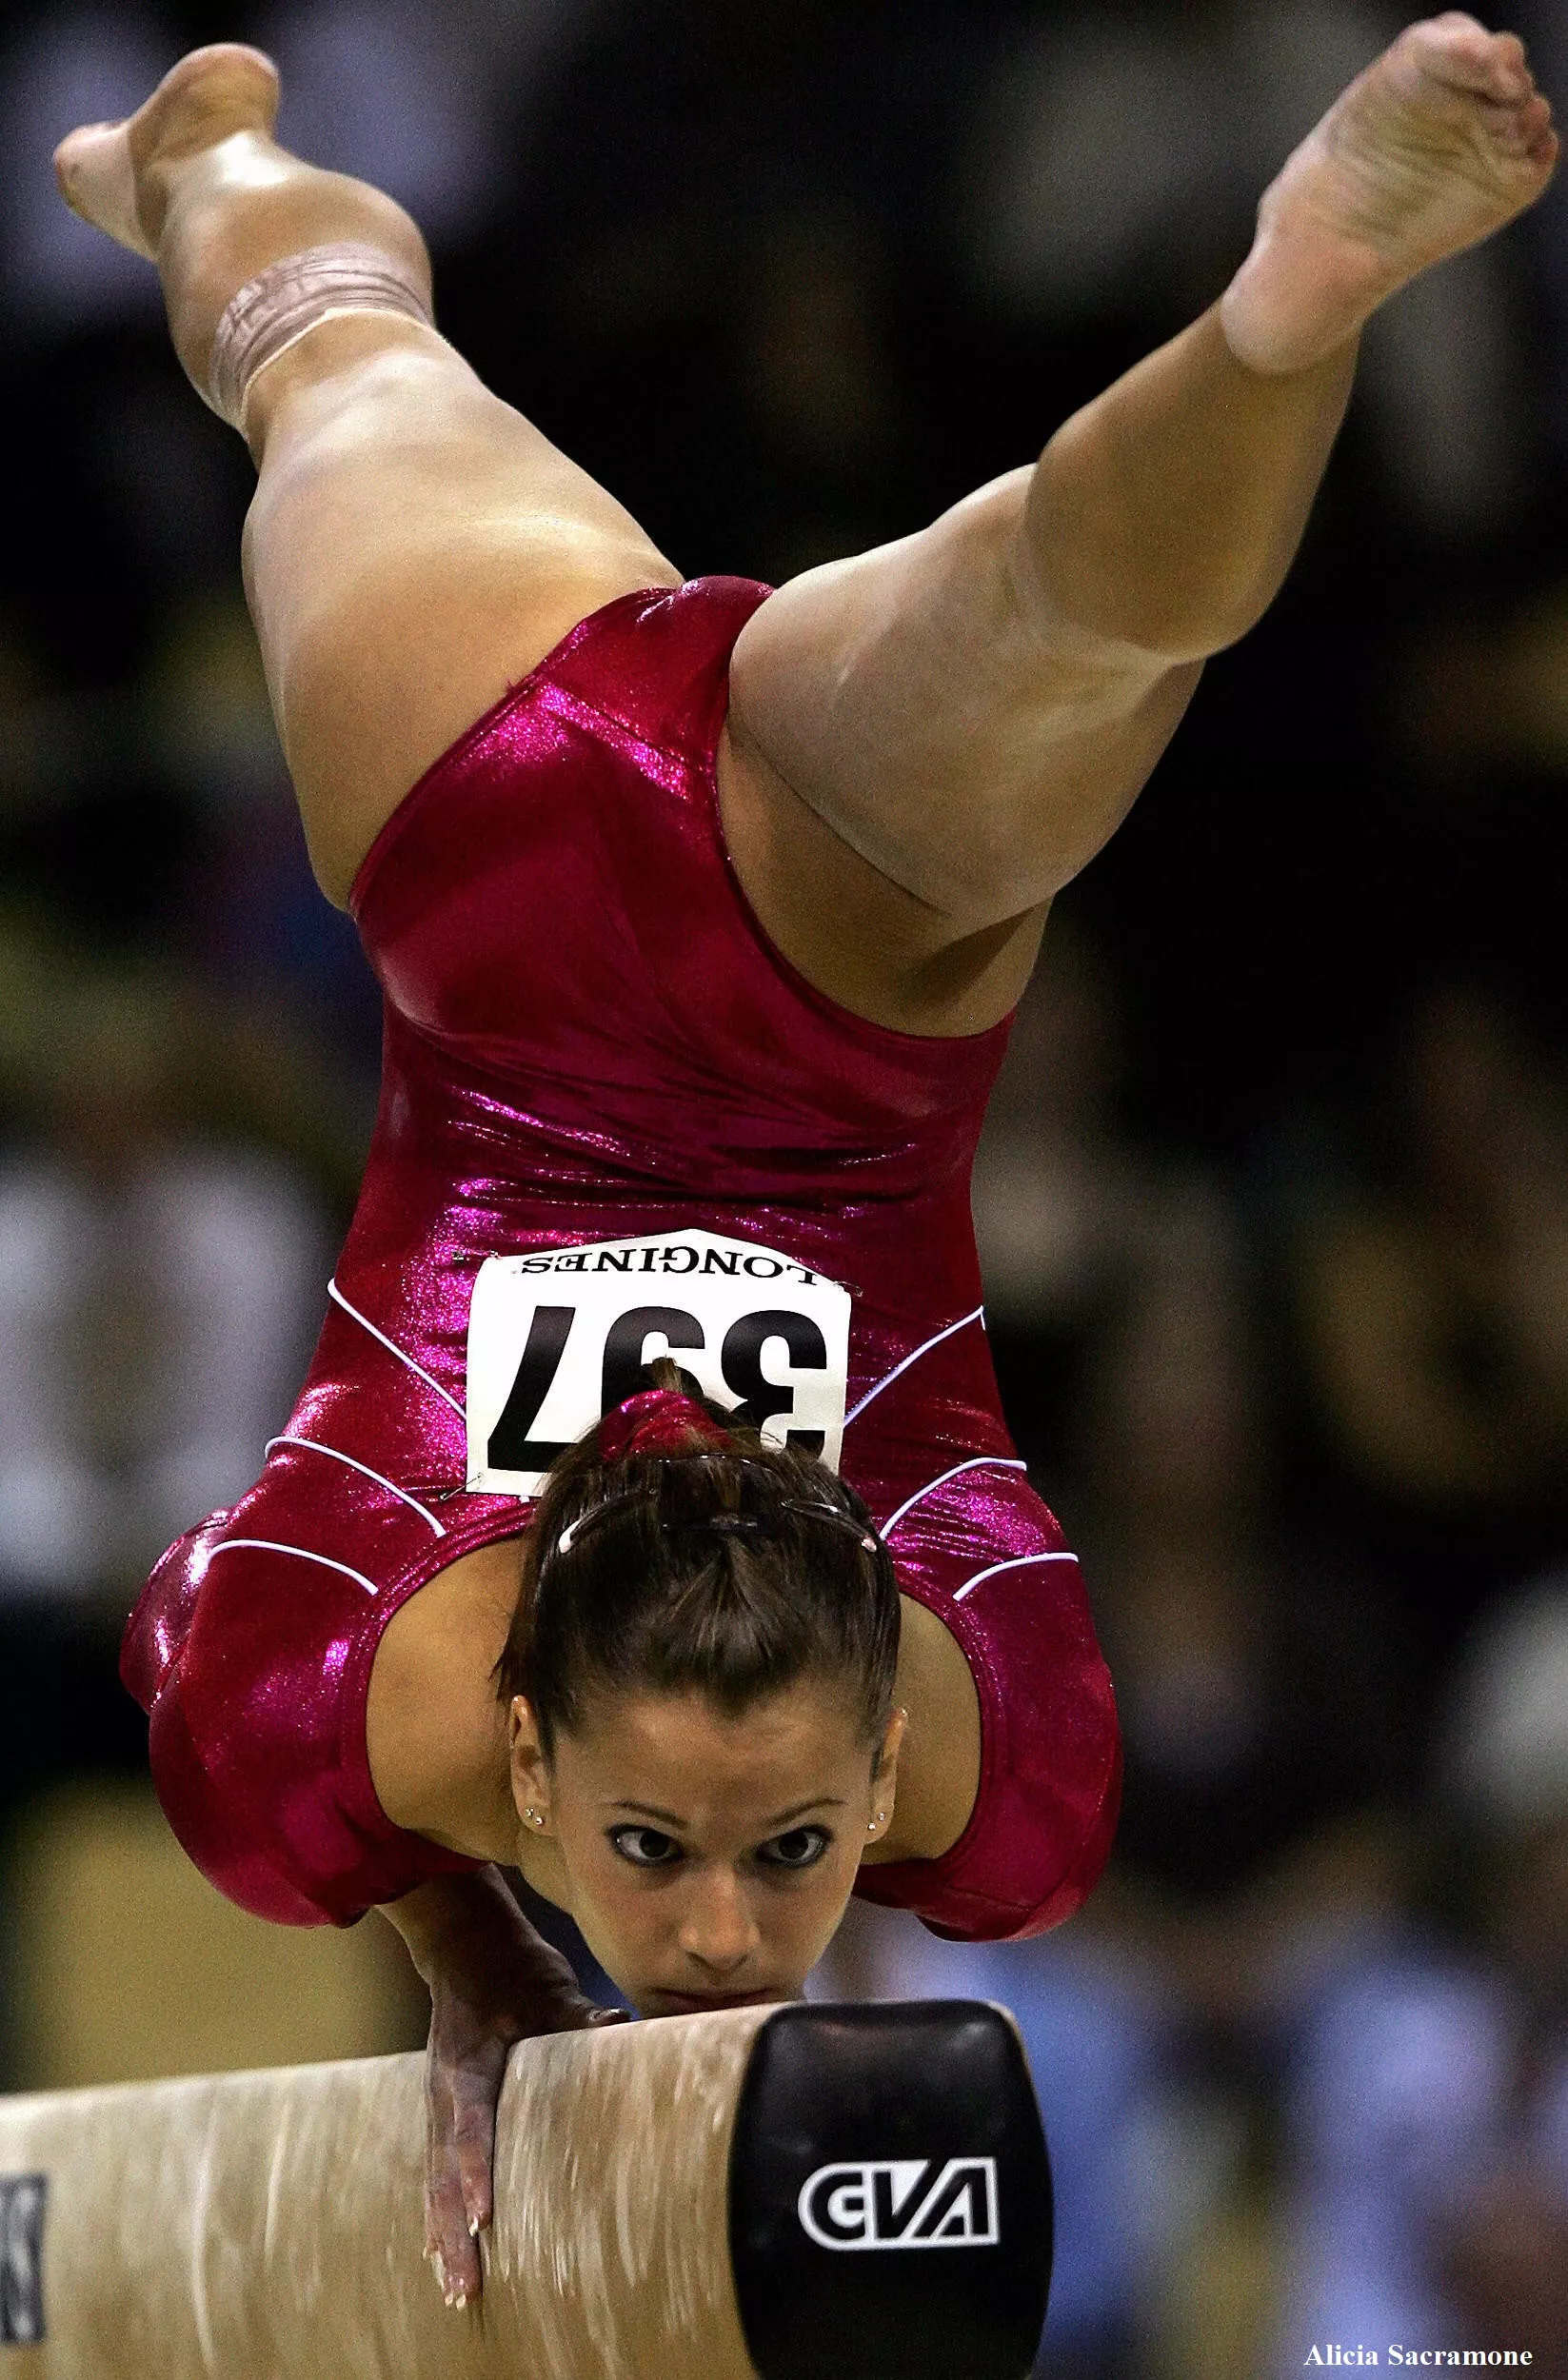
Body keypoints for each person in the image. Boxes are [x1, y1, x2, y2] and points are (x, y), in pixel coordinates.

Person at [54, 14, 1555, 2311]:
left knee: (323, 343)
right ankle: (1293, 303)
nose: (728, 1925)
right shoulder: (1011, 1774)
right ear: (887, 1744)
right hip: (845, 952)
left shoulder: (332, 1729)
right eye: (766, 1842)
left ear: (526, 1745)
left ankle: (202, 162)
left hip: (501, 837)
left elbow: (181, 1609)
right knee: (1060, 623)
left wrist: (458, 1935)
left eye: (670, 1843)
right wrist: (476, 1904)